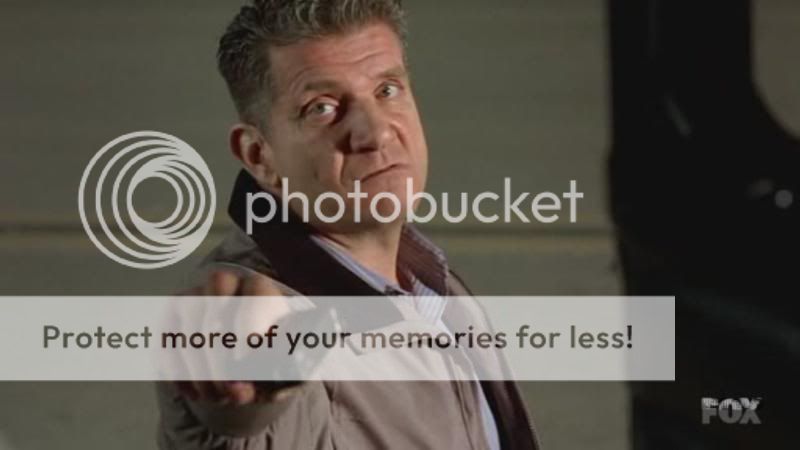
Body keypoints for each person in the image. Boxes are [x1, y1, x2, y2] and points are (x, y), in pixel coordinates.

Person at [156, 1, 539, 448]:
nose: (375, 133)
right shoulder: (280, 320)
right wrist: (238, 393)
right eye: (321, 108)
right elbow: (246, 420)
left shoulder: (431, 282)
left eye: (387, 90)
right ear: (259, 155)